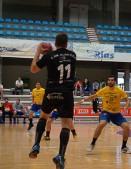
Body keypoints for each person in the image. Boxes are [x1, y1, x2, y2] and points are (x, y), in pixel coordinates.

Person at [28, 33, 76, 169]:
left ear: (55, 44)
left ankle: (36, 144)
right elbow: (61, 57)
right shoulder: (73, 56)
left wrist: (38, 51)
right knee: (66, 124)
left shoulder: (48, 56)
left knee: (43, 116)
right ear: (67, 44)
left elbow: (33, 69)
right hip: (66, 93)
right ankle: (61, 155)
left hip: (51, 91)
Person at [75, 75, 131, 154]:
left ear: (115, 82)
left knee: (127, 127)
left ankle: (124, 147)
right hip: (106, 112)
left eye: (112, 80)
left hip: (116, 114)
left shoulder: (119, 90)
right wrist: (82, 101)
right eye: (109, 80)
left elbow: (127, 100)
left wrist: (126, 106)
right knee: (102, 123)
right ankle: (92, 143)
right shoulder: (104, 90)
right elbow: (93, 96)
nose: (110, 81)